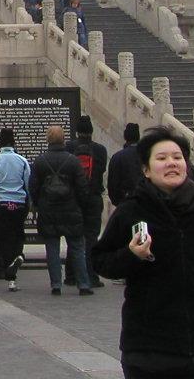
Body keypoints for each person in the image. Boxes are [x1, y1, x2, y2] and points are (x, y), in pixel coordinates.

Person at [94, 127, 194, 378]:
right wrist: (131, 255)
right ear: (146, 170)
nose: (171, 163)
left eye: (177, 157)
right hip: (147, 350)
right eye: (162, 158)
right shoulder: (131, 211)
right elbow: (99, 260)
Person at [30, 125, 92, 296]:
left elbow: (33, 187)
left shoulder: (40, 161)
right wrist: (81, 204)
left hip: (48, 209)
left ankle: (56, 284)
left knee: (52, 249)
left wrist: (38, 204)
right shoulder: (73, 160)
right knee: (77, 248)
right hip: (71, 208)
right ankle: (83, 283)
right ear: (63, 139)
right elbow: (82, 186)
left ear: (48, 139)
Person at [66, 115, 108, 287]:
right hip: (94, 196)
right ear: (92, 131)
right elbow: (101, 170)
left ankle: (71, 275)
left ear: (77, 131)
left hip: (73, 197)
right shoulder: (100, 150)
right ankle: (92, 275)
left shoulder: (69, 147)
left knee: (73, 236)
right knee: (91, 236)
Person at [0, 127, 31, 291]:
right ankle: (18, 256)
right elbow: (28, 184)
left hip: (3, 203)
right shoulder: (22, 161)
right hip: (19, 203)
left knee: (1, 238)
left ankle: (9, 269)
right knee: (18, 234)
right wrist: (28, 203)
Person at [108, 123, 143, 206]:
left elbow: (112, 184)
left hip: (125, 203)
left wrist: (117, 202)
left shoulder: (117, 157)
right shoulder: (147, 156)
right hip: (144, 204)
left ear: (125, 136)